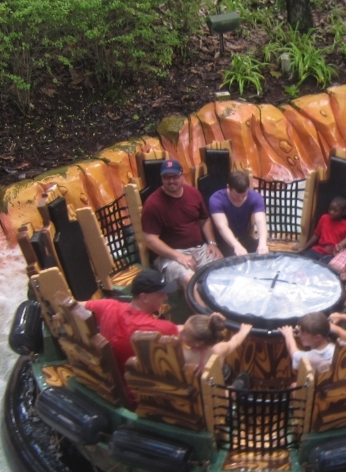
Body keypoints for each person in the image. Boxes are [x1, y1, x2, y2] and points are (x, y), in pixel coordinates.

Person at [141, 159, 222, 287]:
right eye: (166, 177)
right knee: (189, 280)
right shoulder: (153, 204)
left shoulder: (193, 193)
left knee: (220, 270)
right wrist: (178, 256)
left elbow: (204, 219)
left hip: (199, 248)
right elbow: (150, 240)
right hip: (170, 254)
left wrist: (212, 243)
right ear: (161, 178)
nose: (171, 181)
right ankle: (200, 307)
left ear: (182, 175)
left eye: (174, 176)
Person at [85, 269, 179, 375]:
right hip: (136, 388)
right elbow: (187, 333)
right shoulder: (161, 328)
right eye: (161, 294)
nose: (166, 297)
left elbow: (77, 305)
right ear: (144, 297)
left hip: (106, 377)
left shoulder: (107, 305)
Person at [209, 171, 269, 256]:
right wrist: (236, 246)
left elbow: (260, 221)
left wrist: (262, 244)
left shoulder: (255, 197)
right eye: (236, 196)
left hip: (244, 238)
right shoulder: (217, 199)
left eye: (244, 195)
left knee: (263, 255)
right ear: (228, 187)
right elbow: (222, 227)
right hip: (223, 240)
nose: (240, 199)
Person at [179, 313, 253, 368]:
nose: (180, 331)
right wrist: (243, 332)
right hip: (212, 387)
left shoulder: (182, 353)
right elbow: (235, 341)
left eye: (184, 331)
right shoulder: (219, 350)